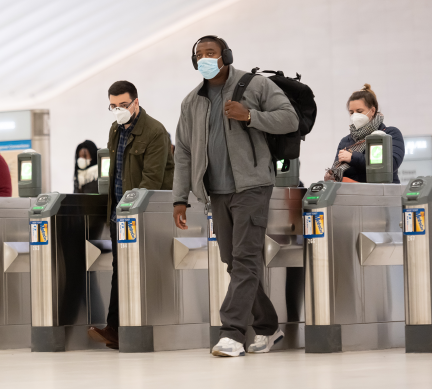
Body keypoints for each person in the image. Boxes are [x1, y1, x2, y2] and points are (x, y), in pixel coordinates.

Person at [172, 36, 299, 357]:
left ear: (225, 55)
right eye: (199, 54)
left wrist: (250, 116)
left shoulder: (254, 86)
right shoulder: (191, 102)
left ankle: (231, 332)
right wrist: (179, 198)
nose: (205, 58)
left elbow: (289, 118)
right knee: (234, 261)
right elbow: (184, 153)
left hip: (252, 186)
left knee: (244, 258)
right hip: (216, 192)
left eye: (211, 53)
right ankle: (269, 328)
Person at [87, 80, 175, 350]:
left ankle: (133, 327)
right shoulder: (115, 130)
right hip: (119, 214)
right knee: (120, 269)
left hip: (142, 214)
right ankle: (117, 328)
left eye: (123, 105)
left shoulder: (155, 132)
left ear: (136, 102)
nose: (118, 111)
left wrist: (133, 211)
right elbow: (115, 173)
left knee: (137, 270)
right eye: (113, 106)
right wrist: (114, 212)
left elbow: (152, 179)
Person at [325, 84, 404, 183]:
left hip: (382, 192)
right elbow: (337, 172)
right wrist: (332, 173)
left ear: (372, 110)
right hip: (352, 194)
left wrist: (353, 157)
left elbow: (391, 165)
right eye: (351, 112)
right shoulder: (346, 141)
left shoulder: (390, 134)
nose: (355, 116)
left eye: (359, 111)